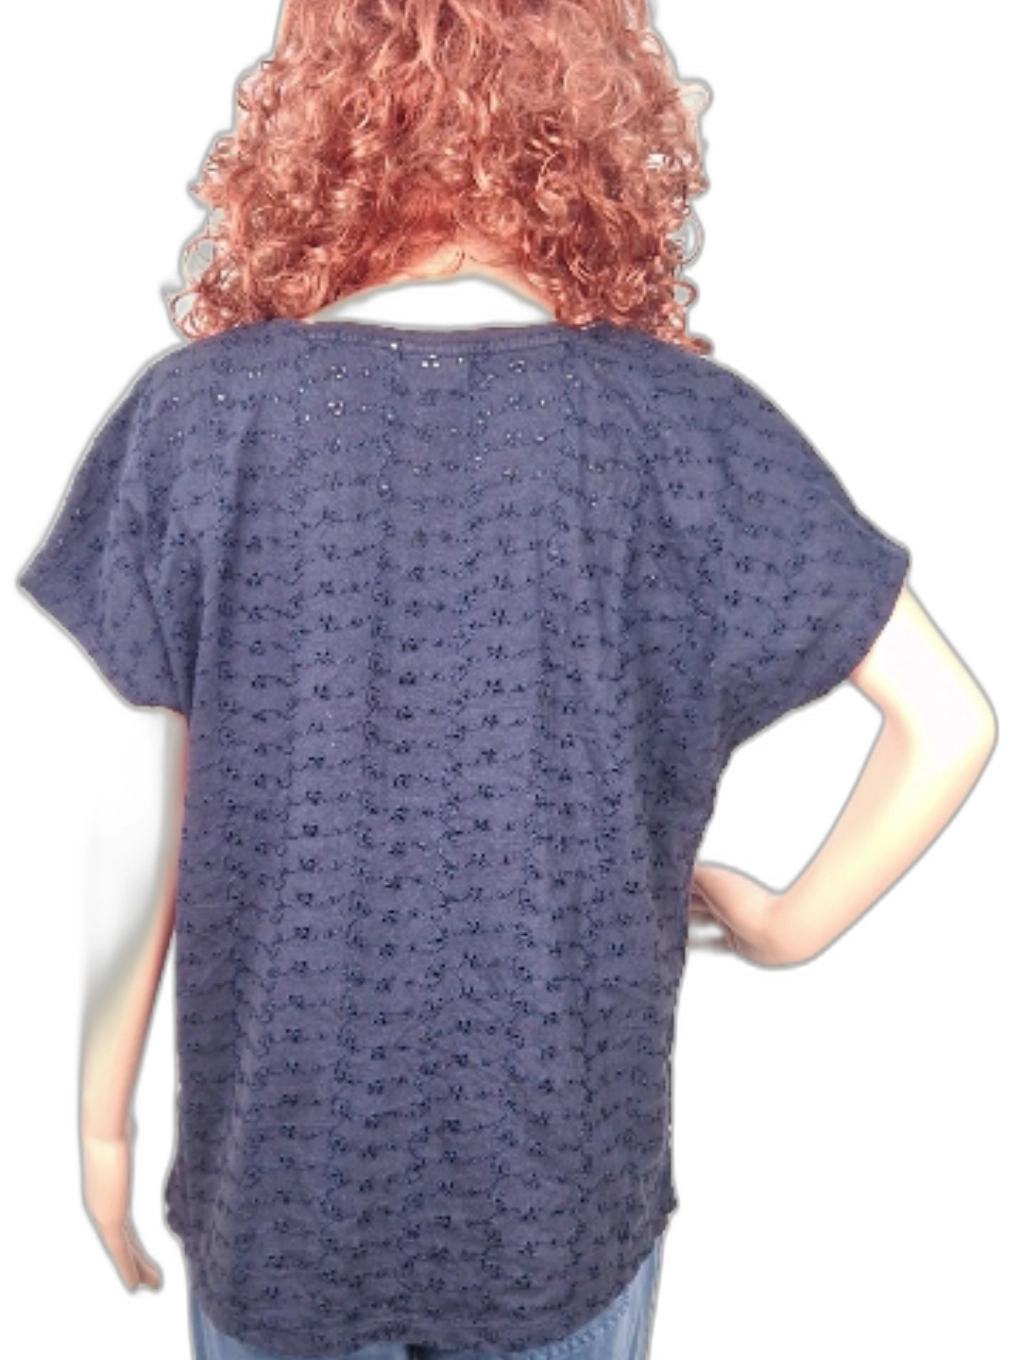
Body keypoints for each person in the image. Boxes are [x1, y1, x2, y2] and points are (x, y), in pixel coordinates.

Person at [13, 2, 997, 1360]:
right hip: (559, 1190)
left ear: (324, 116)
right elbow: (948, 721)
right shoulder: (685, 429)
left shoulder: (200, 419)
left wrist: (101, 1120)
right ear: (594, 125)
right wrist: (783, 926)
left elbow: (139, 818)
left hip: (283, 1184)